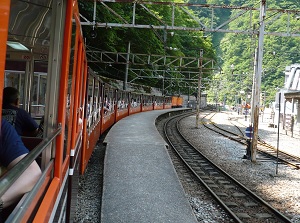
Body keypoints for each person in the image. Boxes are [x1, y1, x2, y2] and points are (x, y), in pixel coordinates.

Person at [0, 119, 42, 222]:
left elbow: (32, 173)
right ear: (18, 102)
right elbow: (35, 130)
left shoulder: (2, 126)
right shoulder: (20, 114)